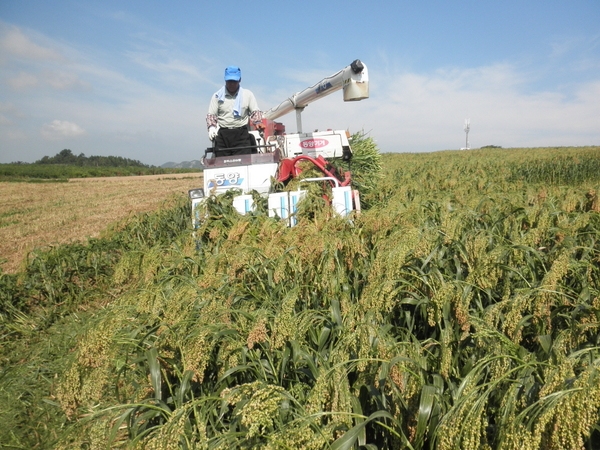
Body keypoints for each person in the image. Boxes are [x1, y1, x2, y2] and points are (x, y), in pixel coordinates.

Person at [206, 66, 264, 156]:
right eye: (229, 81)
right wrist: (211, 127)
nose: (231, 84)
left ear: (239, 80)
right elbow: (212, 115)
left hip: (241, 135)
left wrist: (257, 122)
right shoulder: (217, 96)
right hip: (223, 136)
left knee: (244, 164)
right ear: (225, 80)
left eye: (234, 81)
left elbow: (255, 112)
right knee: (222, 165)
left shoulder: (247, 95)